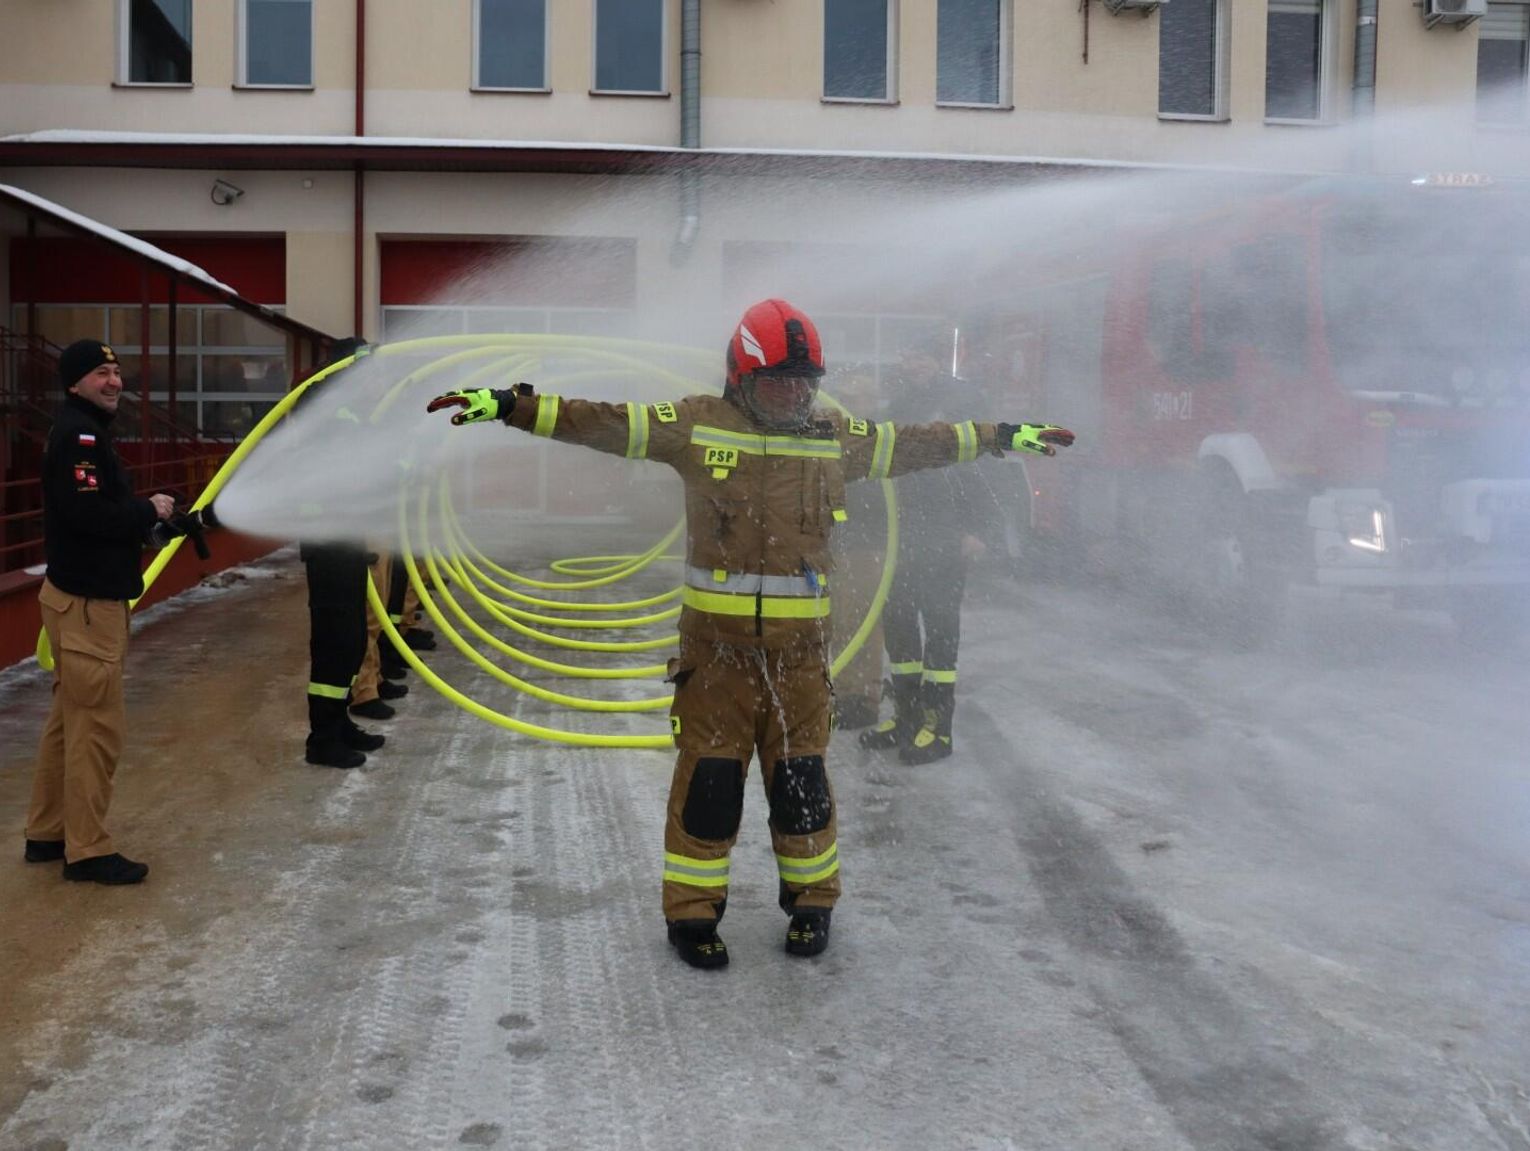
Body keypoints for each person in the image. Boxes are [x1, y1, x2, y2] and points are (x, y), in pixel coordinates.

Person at [426, 299, 1073, 968]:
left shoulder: (834, 434)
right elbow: (606, 422)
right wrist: (512, 406)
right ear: (741, 377)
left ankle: (813, 904)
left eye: (804, 382)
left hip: (800, 663)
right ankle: (692, 914)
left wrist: (1000, 435)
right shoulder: (695, 424)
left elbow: (917, 442)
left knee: (802, 788)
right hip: (716, 662)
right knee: (709, 791)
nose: (793, 395)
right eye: (777, 383)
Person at [24, 339, 178, 884]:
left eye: (115, 371)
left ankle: (48, 832)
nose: (114, 381)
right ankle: (87, 849)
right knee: (95, 729)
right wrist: (146, 509)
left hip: (74, 599)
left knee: (68, 722)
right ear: (74, 383)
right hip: (89, 607)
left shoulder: (81, 430)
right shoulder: (81, 436)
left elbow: (91, 510)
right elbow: (89, 514)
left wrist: (146, 520)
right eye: (99, 373)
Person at [858, 335, 1007, 765]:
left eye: (922, 356)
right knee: (900, 627)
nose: (915, 364)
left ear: (939, 359)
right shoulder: (899, 404)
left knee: (940, 631)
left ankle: (938, 728)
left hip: (947, 535)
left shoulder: (964, 400)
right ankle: (906, 718)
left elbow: (987, 464)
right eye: (909, 355)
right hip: (903, 537)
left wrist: (980, 528)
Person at [299, 338, 388, 768]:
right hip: (328, 544)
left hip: (347, 542)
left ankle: (339, 724)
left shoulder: (349, 410)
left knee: (351, 639)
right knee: (334, 644)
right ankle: (322, 738)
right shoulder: (324, 409)